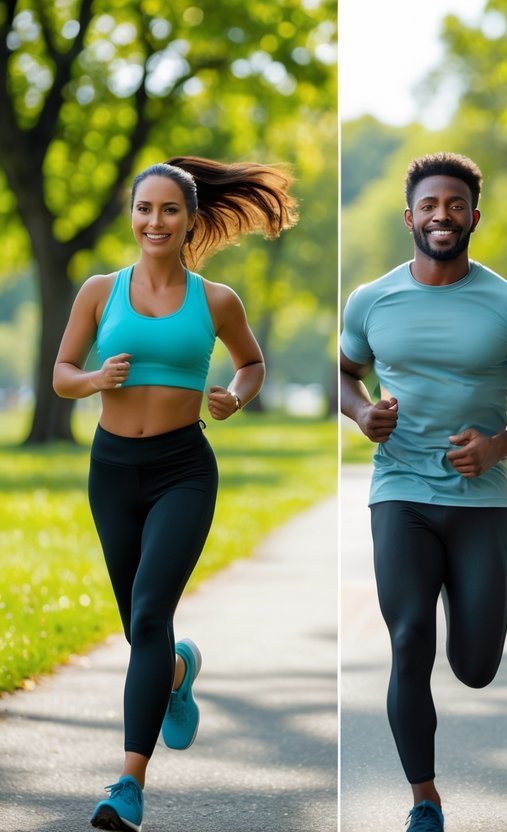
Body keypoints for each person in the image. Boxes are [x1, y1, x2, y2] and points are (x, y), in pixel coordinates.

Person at [53, 157, 297, 829]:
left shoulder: (215, 299)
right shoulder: (99, 291)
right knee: (141, 627)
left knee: (151, 612)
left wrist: (236, 396)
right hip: (112, 469)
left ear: (191, 220)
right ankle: (177, 673)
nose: (153, 221)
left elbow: (252, 363)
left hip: (183, 469)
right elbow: (61, 375)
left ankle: (127, 784)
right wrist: (96, 379)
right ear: (133, 217)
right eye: (143, 209)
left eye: (167, 210)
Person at [339, 151, 507, 832]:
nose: (443, 215)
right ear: (409, 217)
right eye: (430, 205)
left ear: (474, 216)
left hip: (480, 505)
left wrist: (499, 445)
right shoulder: (370, 300)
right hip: (400, 493)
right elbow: (344, 374)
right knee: (410, 640)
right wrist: (360, 413)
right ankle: (424, 801)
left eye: (456, 205)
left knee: (473, 667)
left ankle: (463, 616)